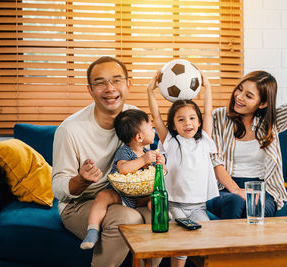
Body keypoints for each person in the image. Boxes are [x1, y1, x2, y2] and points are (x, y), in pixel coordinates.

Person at [51, 56, 152, 267]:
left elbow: (144, 165)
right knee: (129, 219)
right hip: (79, 204)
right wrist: (81, 180)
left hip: (124, 197)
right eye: (100, 82)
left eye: (116, 80)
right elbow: (59, 188)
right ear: (90, 90)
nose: (109, 88)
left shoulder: (135, 119)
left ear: (128, 85)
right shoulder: (70, 130)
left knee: (161, 216)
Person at [206, 35, 287, 220]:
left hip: (262, 187)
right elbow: (215, 160)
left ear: (262, 103)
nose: (239, 97)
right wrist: (236, 190)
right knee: (236, 202)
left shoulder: (270, 122)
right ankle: (227, 249)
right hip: (224, 187)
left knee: (256, 209)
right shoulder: (219, 117)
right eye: (239, 89)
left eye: (248, 96)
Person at [147, 70, 219, 267]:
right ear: (174, 125)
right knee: (181, 243)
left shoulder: (204, 139)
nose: (188, 123)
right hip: (174, 204)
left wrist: (208, 87)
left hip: (198, 206)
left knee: (207, 238)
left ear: (198, 121)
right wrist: (150, 92)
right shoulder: (170, 141)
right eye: (181, 120)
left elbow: (208, 112)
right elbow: (156, 118)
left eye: (192, 118)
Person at [80, 109, 166, 250]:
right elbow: (123, 169)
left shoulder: (148, 152)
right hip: (121, 194)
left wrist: (161, 164)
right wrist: (143, 160)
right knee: (103, 196)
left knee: (155, 197)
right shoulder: (125, 151)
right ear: (139, 137)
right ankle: (93, 230)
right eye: (151, 128)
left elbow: (159, 173)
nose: (154, 131)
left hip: (141, 197)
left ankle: (161, 218)